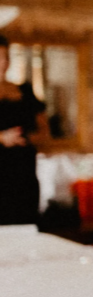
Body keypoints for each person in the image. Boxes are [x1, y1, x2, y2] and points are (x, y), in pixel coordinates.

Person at [0, 35, 47, 225]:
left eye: (6, 56)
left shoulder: (25, 91)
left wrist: (29, 138)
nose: (3, 62)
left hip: (23, 177)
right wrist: (2, 138)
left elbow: (44, 130)